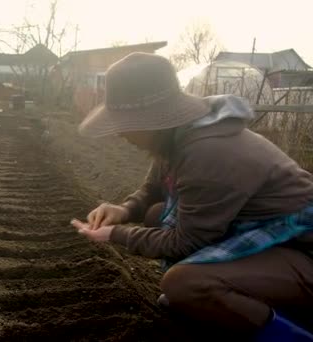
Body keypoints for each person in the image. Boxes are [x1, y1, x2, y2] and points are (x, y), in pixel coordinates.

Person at [70, 52, 313, 340]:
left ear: (152, 121)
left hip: (302, 250)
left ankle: (292, 335)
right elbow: (152, 189)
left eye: (124, 124)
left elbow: (188, 241)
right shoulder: (177, 138)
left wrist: (116, 234)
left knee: (184, 284)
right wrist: (123, 210)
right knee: (155, 213)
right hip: (267, 236)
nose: (120, 134)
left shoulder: (208, 152)